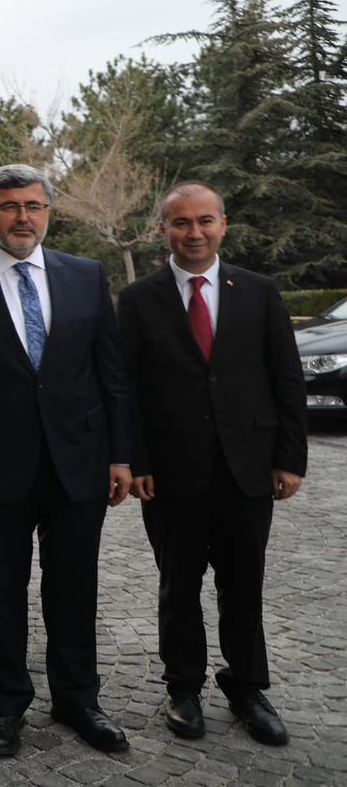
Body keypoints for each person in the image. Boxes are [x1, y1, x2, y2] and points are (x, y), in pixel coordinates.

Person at [0, 164, 134, 757]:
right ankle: (6, 706)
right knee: (1, 594)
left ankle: (78, 700)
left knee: (74, 588)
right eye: (11, 206)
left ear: (49, 211)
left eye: (35, 206)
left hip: (79, 464)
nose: (24, 217)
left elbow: (111, 374)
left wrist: (120, 454)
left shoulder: (86, 276)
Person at [118, 181, 307, 745]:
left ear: (224, 225)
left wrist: (290, 458)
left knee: (243, 582)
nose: (193, 232)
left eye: (204, 221)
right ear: (163, 230)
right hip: (170, 474)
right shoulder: (138, 299)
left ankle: (248, 687)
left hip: (248, 466)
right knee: (178, 585)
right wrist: (137, 459)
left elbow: (286, 379)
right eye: (181, 222)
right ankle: (184, 688)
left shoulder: (259, 291)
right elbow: (126, 388)